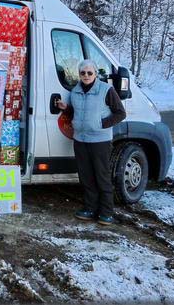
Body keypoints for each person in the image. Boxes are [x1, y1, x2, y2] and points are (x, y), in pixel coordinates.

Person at [56, 59, 126, 226]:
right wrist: (66, 108)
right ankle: (89, 208)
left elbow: (120, 113)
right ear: (79, 74)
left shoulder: (106, 90)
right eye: (83, 73)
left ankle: (106, 212)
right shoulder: (75, 91)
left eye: (89, 73)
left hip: (100, 140)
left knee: (101, 176)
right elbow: (76, 112)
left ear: (95, 74)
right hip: (80, 139)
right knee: (86, 176)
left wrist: (100, 124)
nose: (86, 76)